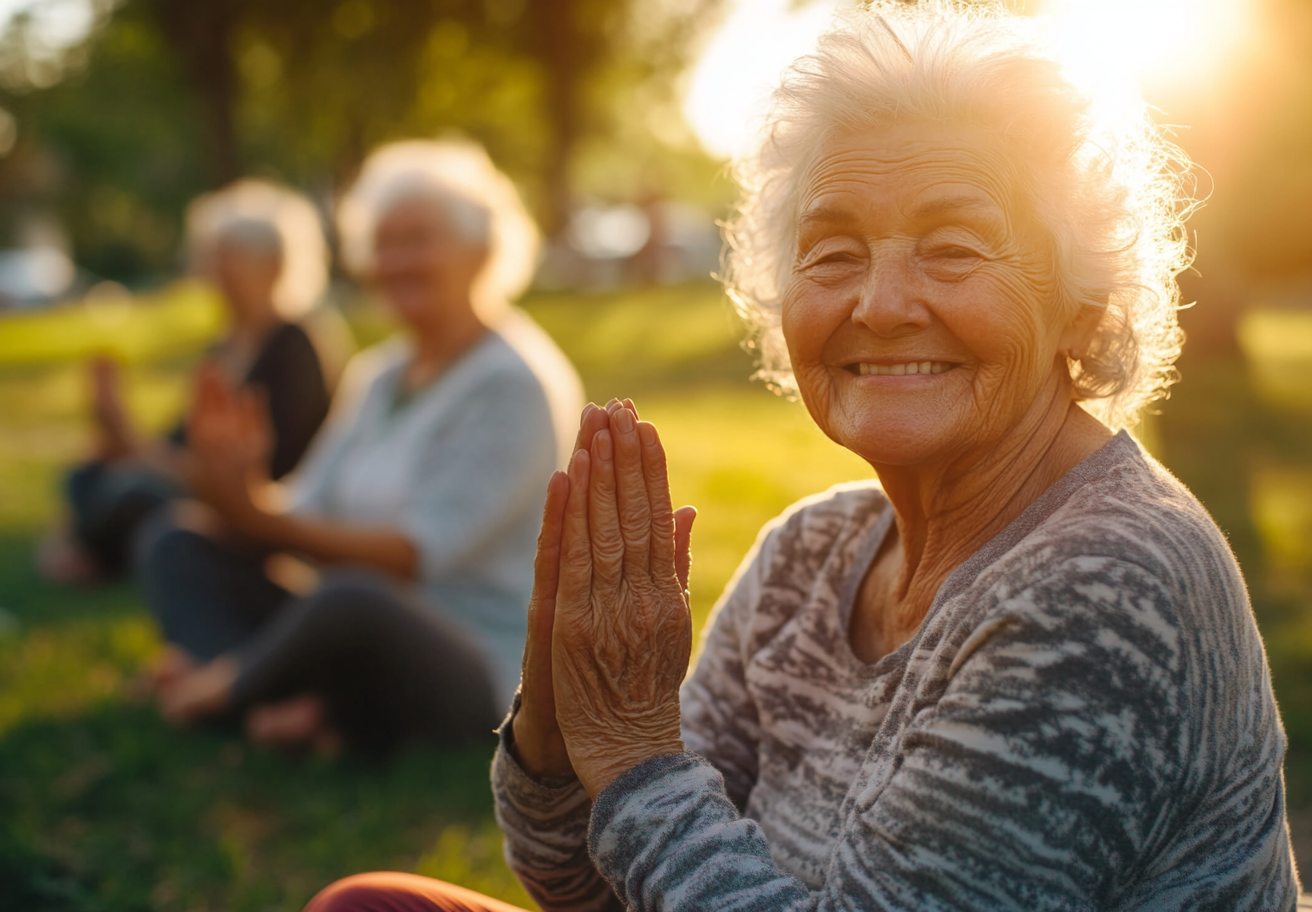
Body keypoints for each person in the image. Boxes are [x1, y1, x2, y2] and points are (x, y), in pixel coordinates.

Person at [306, 3, 1300, 910]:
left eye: (952, 247)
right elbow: (590, 885)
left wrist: (635, 758)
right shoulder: (810, 555)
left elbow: (647, 816)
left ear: (1080, 295)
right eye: (831, 252)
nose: (878, 301)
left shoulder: (1110, 586)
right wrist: (561, 736)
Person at [138, 140, 583, 756]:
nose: (396, 261)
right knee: (177, 542)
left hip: (470, 663)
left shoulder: (512, 382)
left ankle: (231, 688)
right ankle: (287, 701)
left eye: (418, 240)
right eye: (384, 243)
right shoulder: (379, 374)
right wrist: (235, 487)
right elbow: (305, 507)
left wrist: (254, 515)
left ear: (480, 249)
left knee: (354, 597)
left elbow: (415, 557)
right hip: (347, 624)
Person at [38, 180, 334, 583]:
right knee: (86, 474)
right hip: (195, 483)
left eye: (232, 258)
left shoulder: (295, 346)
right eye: (214, 258)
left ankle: (93, 559)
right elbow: (180, 441)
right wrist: (119, 439)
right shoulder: (225, 347)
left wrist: (130, 437)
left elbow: (260, 470)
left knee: (137, 493)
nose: (218, 272)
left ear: (275, 265)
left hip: (252, 503)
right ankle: (84, 548)